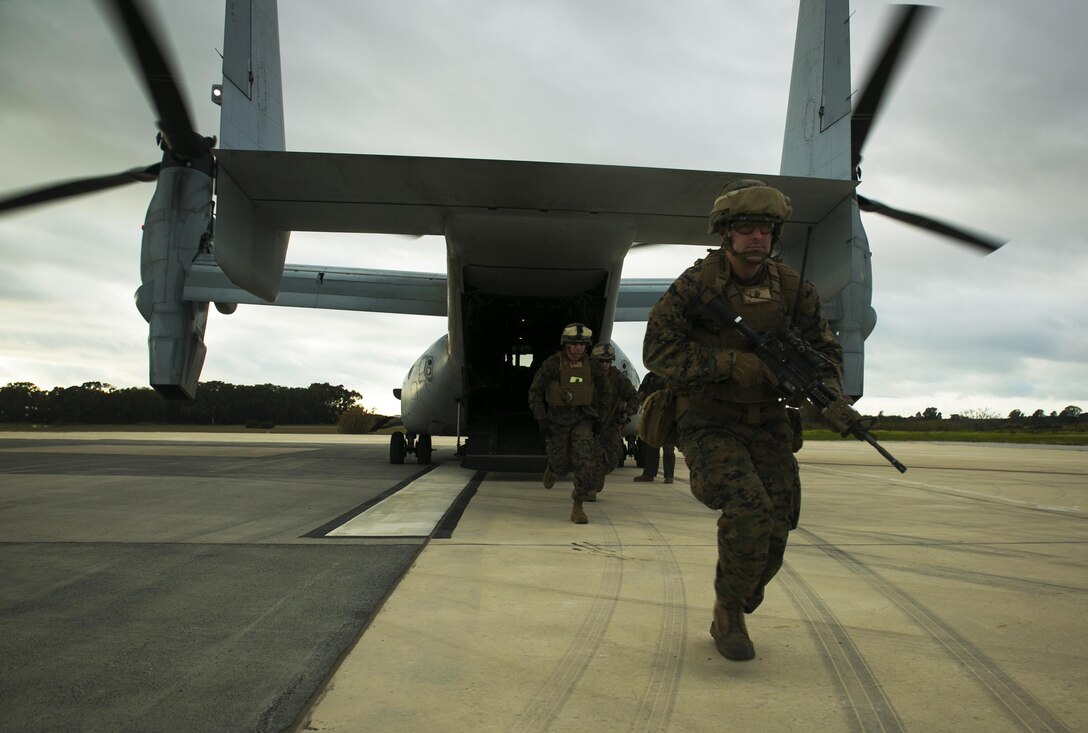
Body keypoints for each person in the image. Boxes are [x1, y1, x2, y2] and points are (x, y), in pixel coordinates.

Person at [643, 179, 843, 661]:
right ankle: (728, 613)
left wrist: (829, 396)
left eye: (766, 229)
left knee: (779, 521)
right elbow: (658, 350)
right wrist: (732, 364)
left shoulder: (795, 291)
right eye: (747, 228)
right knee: (748, 509)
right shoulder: (697, 286)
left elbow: (823, 352)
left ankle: (739, 594)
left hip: (769, 421)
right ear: (726, 234)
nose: (757, 237)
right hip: (708, 419)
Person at [527, 322, 607, 524]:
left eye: (583, 344)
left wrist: (600, 418)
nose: (579, 348)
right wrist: (541, 418)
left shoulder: (593, 366)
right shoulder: (552, 364)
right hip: (557, 422)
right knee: (561, 465)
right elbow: (535, 391)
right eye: (574, 344)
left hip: (583, 420)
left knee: (586, 462)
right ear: (566, 344)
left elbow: (606, 393)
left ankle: (577, 505)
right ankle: (553, 469)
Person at [591, 343, 640, 491]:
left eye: (608, 361)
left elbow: (633, 397)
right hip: (588, 422)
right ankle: (588, 489)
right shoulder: (585, 375)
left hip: (610, 423)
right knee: (590, 456)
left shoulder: (617, 377)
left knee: (613, 459)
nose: (605, 364)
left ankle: (596, 477)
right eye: (601, 361)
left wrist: (626, 413)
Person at [633, 371, 676, 484]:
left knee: (668, 447)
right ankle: (649, 474)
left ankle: (669, 476)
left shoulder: (672, 375)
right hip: (653, 414)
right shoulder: (649, 377)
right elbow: (641, 392)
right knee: (651, 444)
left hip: (668, 415)